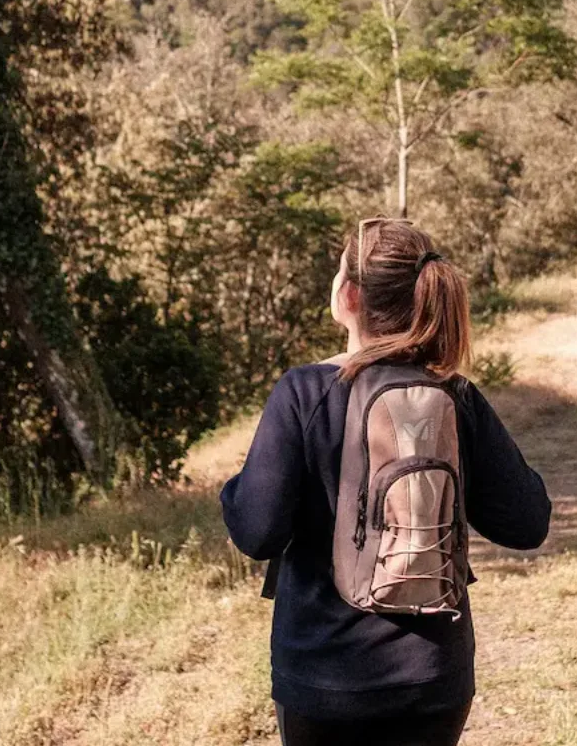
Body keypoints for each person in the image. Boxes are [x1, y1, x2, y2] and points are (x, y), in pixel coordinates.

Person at [221, 218, 551, 746]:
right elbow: (528, 523)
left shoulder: (305, 392)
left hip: (323, 680)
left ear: (349, 295)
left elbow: (255, 532)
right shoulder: (455, 395)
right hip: (433, 679)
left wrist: (234, 489)